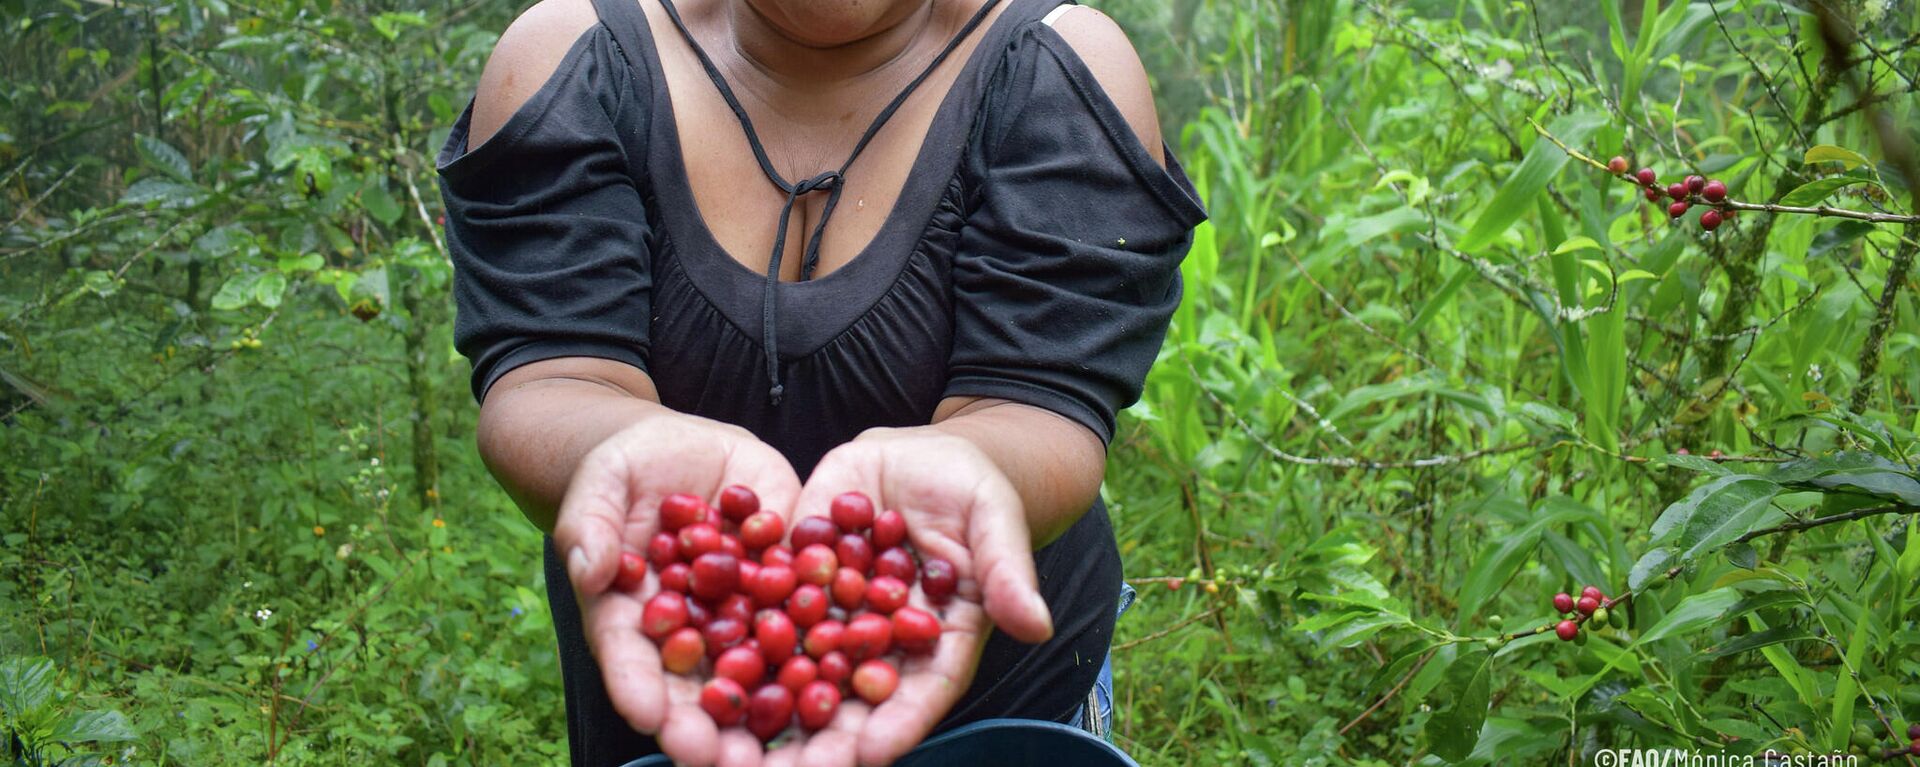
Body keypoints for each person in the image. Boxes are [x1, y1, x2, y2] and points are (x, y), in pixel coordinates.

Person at [434, 0, 1204, 763]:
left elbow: (1040, 408)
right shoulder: (572, 58)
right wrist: (631, 453)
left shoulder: (1059, 70)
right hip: (672, 706)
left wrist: (964, 470)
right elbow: (551, 378)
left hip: (1004, 712)